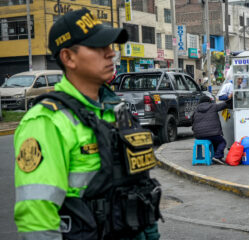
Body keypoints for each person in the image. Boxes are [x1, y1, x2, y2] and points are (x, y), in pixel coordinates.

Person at [14, 8, 161, 240]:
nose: (110, 53)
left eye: (110, 46)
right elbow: (37, 216)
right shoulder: (46, 121)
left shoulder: (117, 111)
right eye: (98, 47)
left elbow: (141, 189)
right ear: (68, 57)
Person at [192, 95, 229, 165]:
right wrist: (233, 97)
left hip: (199, 135)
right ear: (209, 101)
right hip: (213, 133)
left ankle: (216, 156)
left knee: (214, 141)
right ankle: (217, 156)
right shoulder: (213, 106)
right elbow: (225, 104)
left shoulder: (196, 109)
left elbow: (192, 121)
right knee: (222, 142)